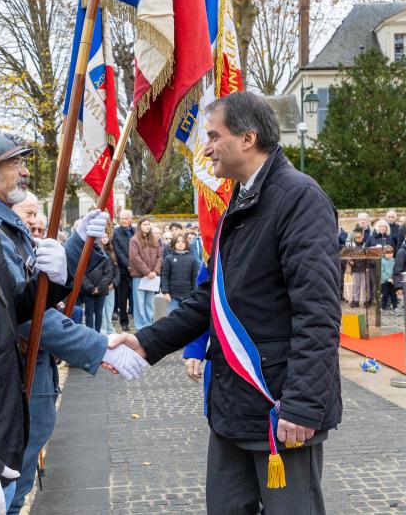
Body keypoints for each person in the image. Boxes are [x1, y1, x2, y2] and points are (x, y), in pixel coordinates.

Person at [107, 91, 341, 514]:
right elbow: (208, 301)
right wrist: (145, 343)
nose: (207, 147)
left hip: (279, 408)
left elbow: (318, 313)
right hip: (233, 406)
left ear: (247, 138)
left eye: (214, 136)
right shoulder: (241, 199)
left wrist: (303, 405)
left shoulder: (298, 198)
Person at [0, 134, 144, 514]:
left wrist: (77, 241)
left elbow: (37, 289)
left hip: (32, 383)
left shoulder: (4, 224)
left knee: (18, 492)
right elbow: (27, 316)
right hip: (16, 387)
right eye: (16, 163)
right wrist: (99, 346)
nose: (26, 171)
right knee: (10, 498)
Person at [129, 217, 162, 329]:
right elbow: (135, 258)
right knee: (139, 302)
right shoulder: (134, 240)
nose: (147, 226)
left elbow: (159, 256)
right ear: (140, 226)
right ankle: (140, 326)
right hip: (140, 277)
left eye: (148, 224)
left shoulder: (154, 240)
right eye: (144, 224)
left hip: (152, 277)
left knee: (149, 301)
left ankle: (149, 324)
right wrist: (147, 272)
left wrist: (155, 271)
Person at [161, 234, 199, 314]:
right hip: (173, 296)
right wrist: (165, 292)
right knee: (172, 317)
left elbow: (195, 277)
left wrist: (195, 292)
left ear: (186, 244)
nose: (180, 244)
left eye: (183, 242)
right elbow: (165, 276)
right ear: (174, 243)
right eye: (178, 242)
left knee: (187, 318)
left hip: (187, 296)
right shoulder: (169, 258)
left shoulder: (191, 259)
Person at [113, 210, 135, 331]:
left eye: (126, 218)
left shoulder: (136, 231)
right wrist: (128, 264)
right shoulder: (116, 233)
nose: (124, 220)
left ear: (130, 219)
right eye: (122, 218)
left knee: (135, 297)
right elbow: (118, 251)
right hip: (122, 271)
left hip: (136, 269)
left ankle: (136, 319)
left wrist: (135, 265)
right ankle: (124, 322)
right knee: (122, 298)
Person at [100, 231, 119, 335]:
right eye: (102, 237)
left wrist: (114, 283)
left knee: (109, 310)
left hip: (111, 287)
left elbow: (117, 270)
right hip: (102, 286)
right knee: (101, 311)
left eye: (106, 236)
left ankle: (109, 329)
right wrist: (103, 284)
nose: (105, 238)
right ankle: (103, 331)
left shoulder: (111, 252)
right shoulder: (97, 251)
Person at [347, 227, 370, 308]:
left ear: (362, 237)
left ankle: (365, 300)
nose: (357, 239)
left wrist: (367, 267)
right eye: (356, 237)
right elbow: (348, 256)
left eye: (359, 237)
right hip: (355, 268)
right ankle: (355, 300)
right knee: (356, 286)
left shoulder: (365, 245)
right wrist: (350, 261)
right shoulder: (351, 246)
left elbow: (368, 257)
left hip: (364, 268)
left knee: (365, 286)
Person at [380, 245, 397, 312]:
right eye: (388, 253)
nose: (390, 255)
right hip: (385, 282)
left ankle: (395, 307)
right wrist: (387, 279)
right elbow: (381, 272)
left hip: (392, 281)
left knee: (394, 295)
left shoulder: (394, 261)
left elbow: (396, 271)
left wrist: (393, 278)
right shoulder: (382, 261)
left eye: (391, 253)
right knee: (385, 295)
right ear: (384, 254)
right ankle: (382, 307)